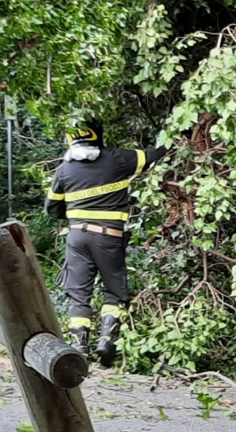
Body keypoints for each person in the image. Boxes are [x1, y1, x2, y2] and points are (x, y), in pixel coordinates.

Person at [45, 117, 167, 366]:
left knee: (79, 295)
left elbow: (51, 208)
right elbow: (156, 154)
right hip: (108, 237)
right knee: (114, 291)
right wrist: (173, 130)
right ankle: (107, 342)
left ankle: (79, 346)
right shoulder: (117, 158)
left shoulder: (65, 169)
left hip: (77, 236)